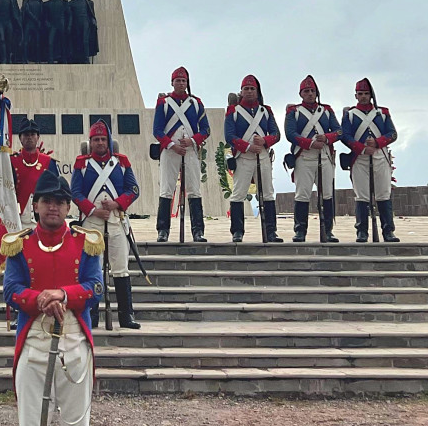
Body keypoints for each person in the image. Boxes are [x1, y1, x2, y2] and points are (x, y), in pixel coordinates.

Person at [3, 170, 105, 426]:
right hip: (34, 339)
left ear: (68, 206)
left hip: (75, 340)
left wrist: (62, 294)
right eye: (46, 201)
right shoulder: (19, 244)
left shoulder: (87, 242)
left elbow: (95, 286)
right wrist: (38, 300)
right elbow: (11, 288)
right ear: (35, 206)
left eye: (59, 201)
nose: (53, 207)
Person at [70, 119, 141, 329]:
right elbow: (75, 193)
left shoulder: (121, 161)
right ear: (90, 142)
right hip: (92, 221)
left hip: (116, 220)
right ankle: (91, 314)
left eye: (103, 139)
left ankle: (126, 316)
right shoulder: (81, 164)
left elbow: (133, 189)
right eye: (96, 139)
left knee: (120, 268)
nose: (100, 143)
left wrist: (116, 203)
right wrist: (93, 210)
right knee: (93, 269)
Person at [152, 66, 210, 242]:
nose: (181, 83)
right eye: (178, 80)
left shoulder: (196, 103)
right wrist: (172, 145)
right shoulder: (164, 103)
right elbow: (157, 130)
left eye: (183, 81)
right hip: (170, 151)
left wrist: (193, 140)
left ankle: (198, 231)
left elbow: (205, 129)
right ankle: (163, 231)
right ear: (172, 82)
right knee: (167, 190)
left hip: (190, 149)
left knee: (194, 190)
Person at [224, 75, 282, 243]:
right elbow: (229, 135)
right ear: (241, 92)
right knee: (238, 193)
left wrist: (265, 141)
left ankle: (270, 231)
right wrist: (248, 146)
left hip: (262, 156)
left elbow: (276, 134)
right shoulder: (233, 111)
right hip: (243, 156)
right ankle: (237, 231)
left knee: (268, 194)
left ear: (257, 92)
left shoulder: (265, 111)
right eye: (246, 89)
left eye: (252, 89)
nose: (249, 92)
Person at [285, 75, 342, 243]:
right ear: (301, 94)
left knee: (327, 194)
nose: (310, 94)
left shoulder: (326, 110)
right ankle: (300, 230)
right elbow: (290, 134)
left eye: (312, 91)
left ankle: (328, 230)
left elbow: (339, 131)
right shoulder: (293, 111)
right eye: (306, 91)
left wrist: (326, 138)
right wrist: (309, 143)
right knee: (302, 194)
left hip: (324, 155)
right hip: (304, 156)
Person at [342, 78, 399, 242]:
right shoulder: (350, 114)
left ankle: (388, 231)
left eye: (366, 94)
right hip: (359, 157)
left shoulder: (382, 113)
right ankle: (361, 231)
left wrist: (377, 142)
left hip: (380, 156)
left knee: (383, 194)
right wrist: (362, 148)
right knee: (362, 196)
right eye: (360, 94)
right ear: (356, 95)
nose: (363, 97)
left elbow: (392, 134)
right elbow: (345, 136)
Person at [11, 118, 60, 230]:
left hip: (42, 220)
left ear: (38, 137)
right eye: (26, 134)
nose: (29, 137)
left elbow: (57, 191)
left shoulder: (48, 162)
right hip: (16, 220)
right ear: (20, 138)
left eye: (33, 134)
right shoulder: (12, 161)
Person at [67, 0, 98, 64]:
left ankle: (86, 58)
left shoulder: (88, 2)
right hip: (75, 23)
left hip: (85, 22)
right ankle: (77, 58)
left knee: (85, 40)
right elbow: (69, 16)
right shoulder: (71, 3)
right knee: (76, 40)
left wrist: (93, 21)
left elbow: (92, 14)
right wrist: (69, 26)